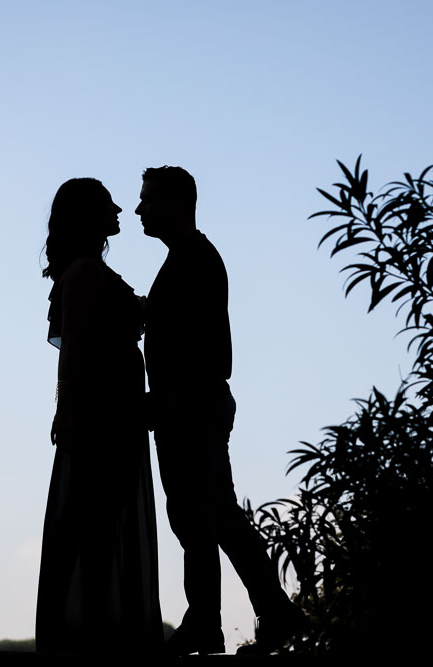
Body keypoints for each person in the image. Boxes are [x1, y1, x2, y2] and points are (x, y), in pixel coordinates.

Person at [136, 166, 305, 655]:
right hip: (191, 408)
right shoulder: (190, 259)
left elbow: (215, 354)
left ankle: (219, 620)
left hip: (191, 410)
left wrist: (168, 399)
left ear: (175, 203)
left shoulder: (193, 260)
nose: (140, 209)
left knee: (203, 517)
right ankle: (260, 613)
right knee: (209, 516)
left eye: (148, 199)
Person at [35, 178, 163, 655]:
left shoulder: (85, 271)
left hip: (109, 411)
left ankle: (85, 629)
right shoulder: (86, 273)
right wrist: (66, 408)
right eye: (107, 204)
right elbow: (71, 353)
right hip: (104, 415)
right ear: (90, 215)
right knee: (95, 523)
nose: (119, 211)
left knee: (92, 521)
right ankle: (90, 633)